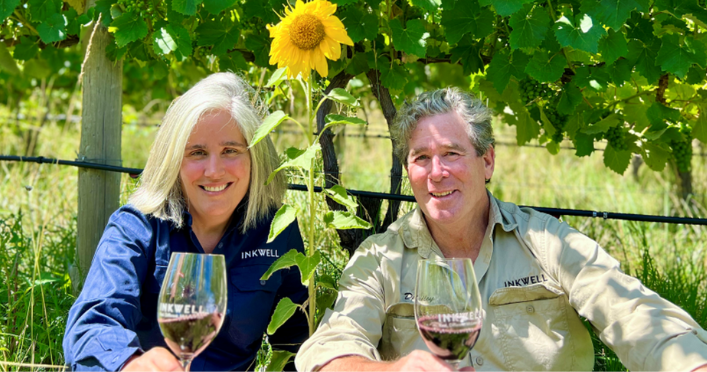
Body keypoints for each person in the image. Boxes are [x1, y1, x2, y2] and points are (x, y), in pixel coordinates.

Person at [296, 87, 707, 372]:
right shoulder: (380, 259)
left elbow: (633, 313)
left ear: (487, 161)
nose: (436, 173)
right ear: (408, 171)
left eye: (452, 153)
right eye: (421, 158)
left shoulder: (547, 243)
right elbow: (330, 350)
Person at [64, 73, 308, 371]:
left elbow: (298, 342)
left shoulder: (276, 231)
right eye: (197, 153)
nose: (214, 170)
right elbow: (91, 326)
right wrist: (131, 364)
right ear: (173, 160)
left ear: (255, 157)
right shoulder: (137, 227)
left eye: (230, 150)